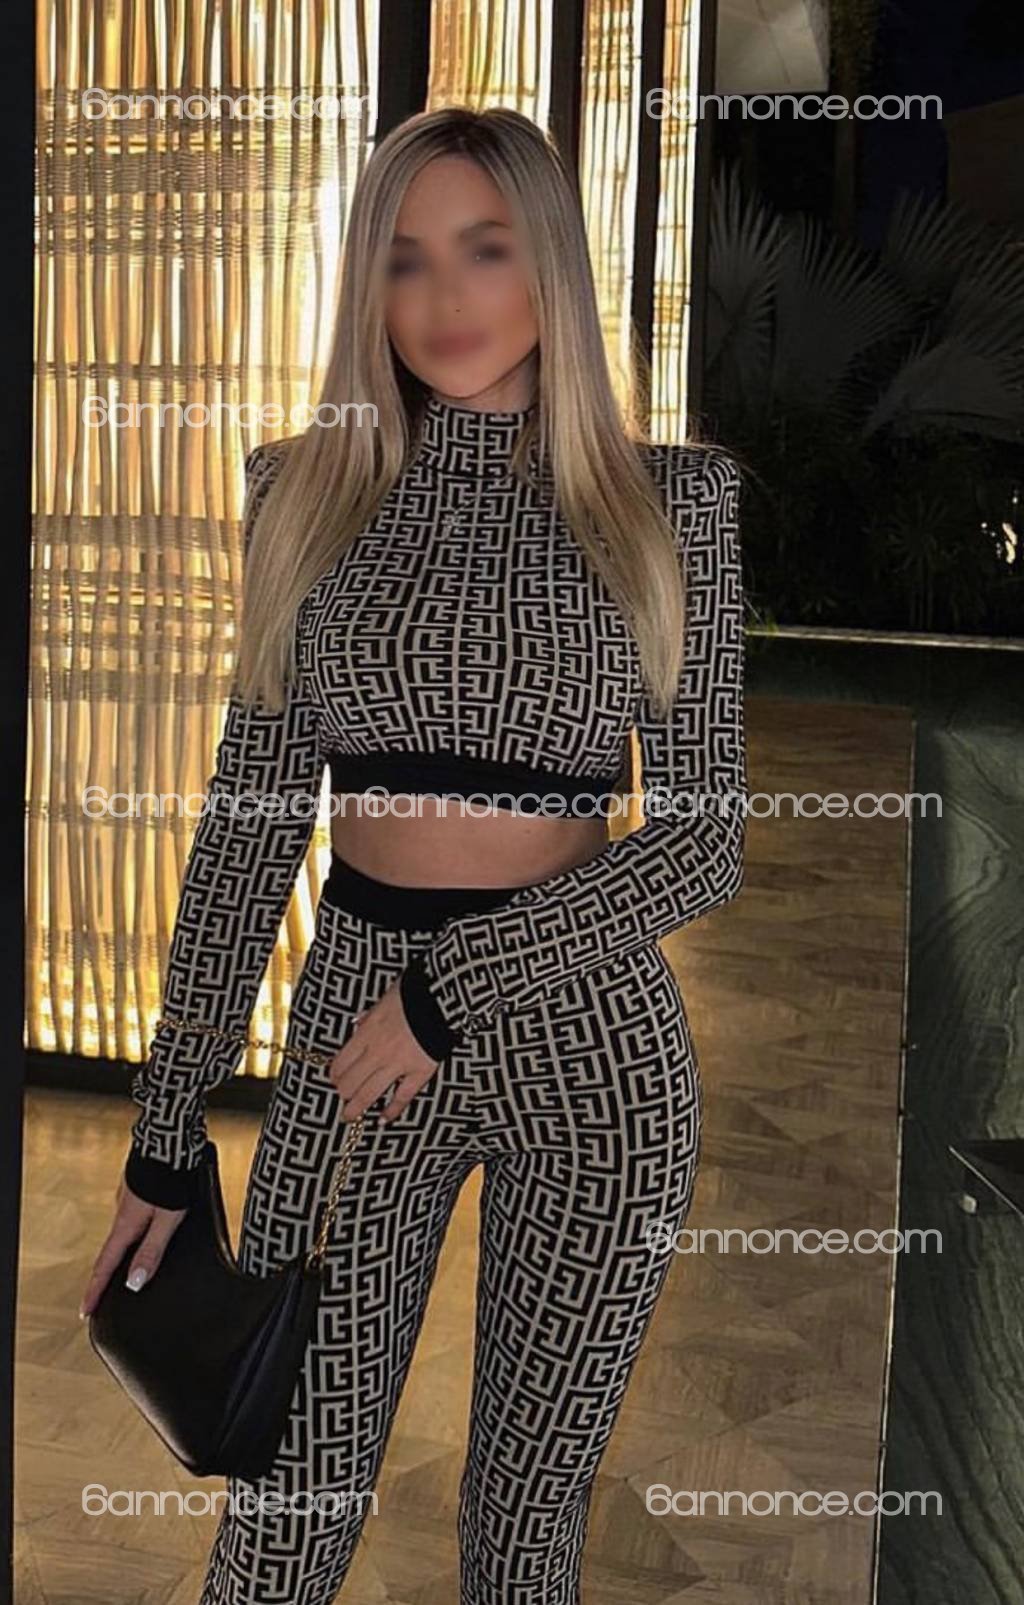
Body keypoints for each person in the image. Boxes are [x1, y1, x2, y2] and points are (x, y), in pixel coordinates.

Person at [80, 103, 747, 1605]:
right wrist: (167, 1128)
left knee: (521, 1535)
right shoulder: (302, 494)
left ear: (550, 266)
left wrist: (450, 993)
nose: (446, 296)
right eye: (405, 258)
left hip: (593, 1050)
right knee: (281, 1525)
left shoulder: (672, 505)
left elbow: (705, 836)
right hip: (351, 1039)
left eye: (485, 250)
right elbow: (250, 828)